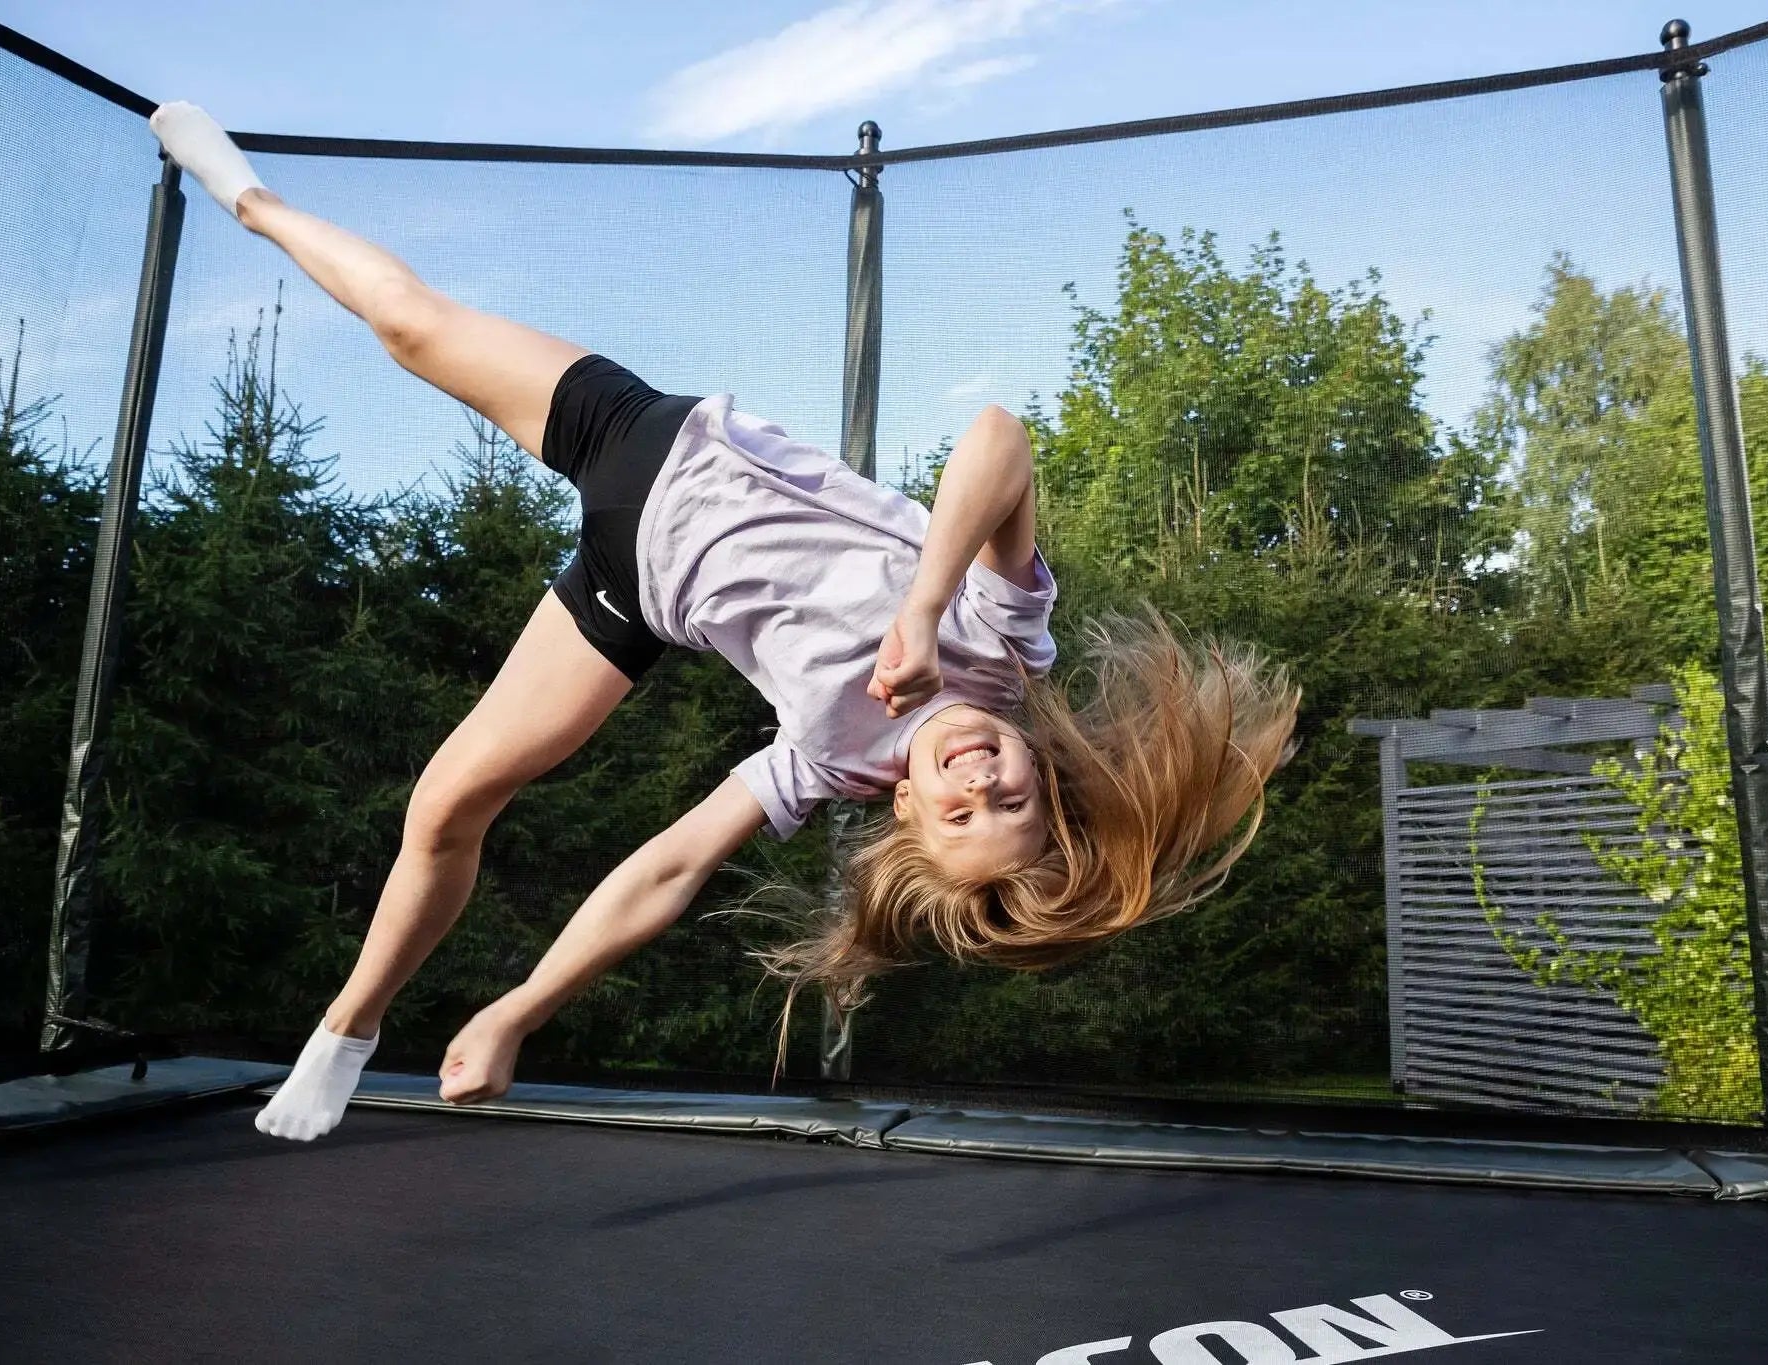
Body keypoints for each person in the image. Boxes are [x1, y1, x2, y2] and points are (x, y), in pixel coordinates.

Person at [148, 104, 1301, 1142]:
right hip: (654, 447)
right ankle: (249, 199)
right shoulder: (1004, 650)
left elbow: (668, 867)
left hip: (629, 595)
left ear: (906, 806)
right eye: (1007, 796)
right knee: (406, 325)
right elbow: (997, 438)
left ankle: (347, 1026)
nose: (978, 781)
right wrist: (920, 606)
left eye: (958, 812)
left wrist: (517, 1010)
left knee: (446, 802)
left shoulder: (832, 763)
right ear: (1040, 773)